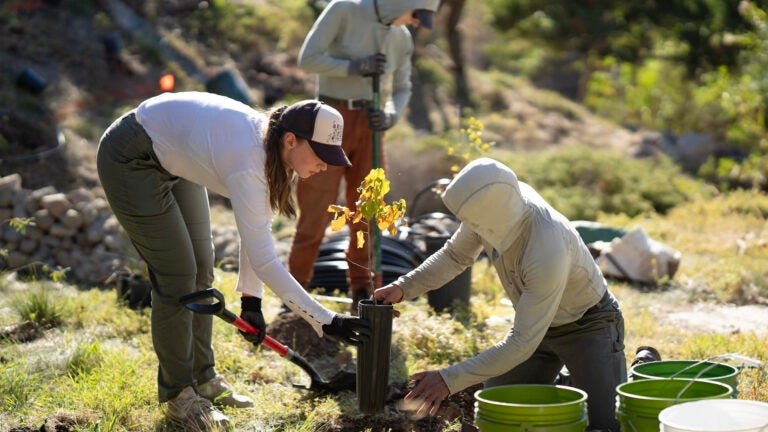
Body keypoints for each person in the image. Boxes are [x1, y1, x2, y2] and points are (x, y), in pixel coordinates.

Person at [96, 91, 370, 430]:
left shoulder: (278, 157)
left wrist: (251, 301)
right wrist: (325, 320)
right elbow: (266, 260)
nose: (325, 165)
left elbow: (257, 234)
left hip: (171, 154)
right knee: (178, 276)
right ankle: (179, 396)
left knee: (202, 267)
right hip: (132, 155)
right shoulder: (250, 161)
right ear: (291, 140)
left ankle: (204, 377)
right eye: (321, 154)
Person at [374, 158, 627, 431]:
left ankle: (596, 374)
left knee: (605, 426)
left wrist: (448, 379)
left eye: (468, 219)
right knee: (496, 412)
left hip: (588, 326)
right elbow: (455, 255)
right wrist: (404, 286)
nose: (466, 224)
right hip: (535, 328)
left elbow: (521, 343)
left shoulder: (545, 248)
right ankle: (568, 382)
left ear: (491, 215)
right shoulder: (494, 208)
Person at [289, 0, 440, 312]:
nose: (414, 23)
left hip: (370, 123)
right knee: (315, 213)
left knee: (368, 211)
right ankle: (294, 296)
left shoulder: (401, 37)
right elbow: (307, 58)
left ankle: (364, 294)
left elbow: (401, 87)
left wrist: (389, 115)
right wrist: (354, 67)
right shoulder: (344, 9)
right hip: (329, 119)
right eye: (414, 15)